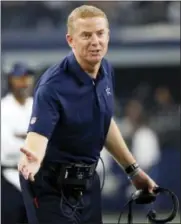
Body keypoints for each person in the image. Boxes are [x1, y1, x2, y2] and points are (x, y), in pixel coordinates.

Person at [18, 5, 158, 224]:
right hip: (49, 188)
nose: (95, 41)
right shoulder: (53, 86)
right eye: (86, 35)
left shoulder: (106, 70)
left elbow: (103, 121)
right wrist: (32, 159)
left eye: (100, 33)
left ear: (108, 36)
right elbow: (37, 137)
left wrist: (133, 171)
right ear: (70, 40)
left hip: (87, 184)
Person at [1, 63, 35, 224]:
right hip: (9, 176)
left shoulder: (38, 106)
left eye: (27, 78)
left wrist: (21, 137)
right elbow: (7, 150)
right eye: (19, 78)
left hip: (38, 178)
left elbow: (51, 142)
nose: (23, 82)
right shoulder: (3, 108)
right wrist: (34, 140)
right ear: (10, 80)